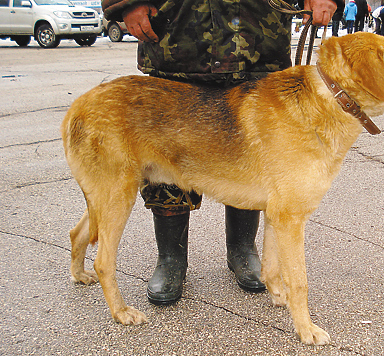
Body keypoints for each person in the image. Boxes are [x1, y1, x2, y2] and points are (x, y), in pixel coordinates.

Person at [101, 0, 339, 306]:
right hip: (179, 33)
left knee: (254, 156)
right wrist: (128, 3)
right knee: (164, 147)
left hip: (257, 35)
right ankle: (171, 256)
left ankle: (242, 248)